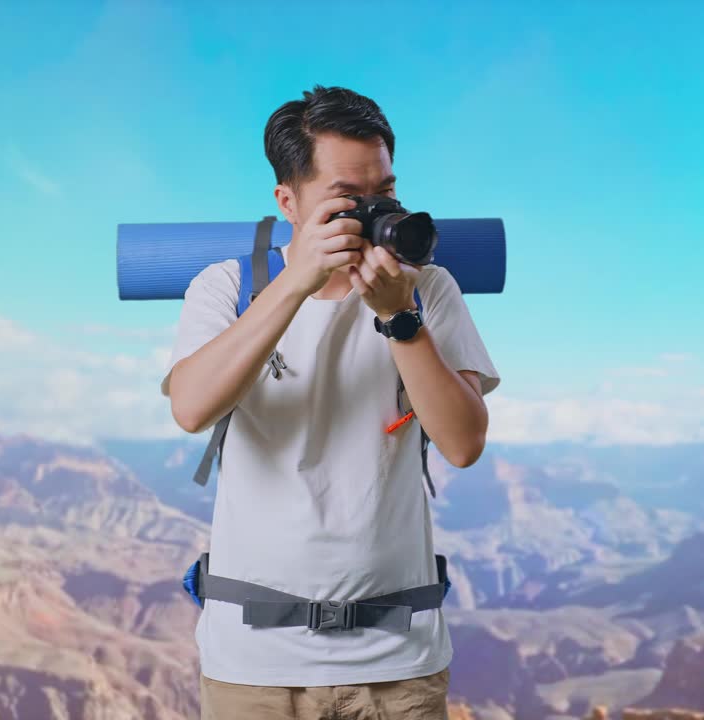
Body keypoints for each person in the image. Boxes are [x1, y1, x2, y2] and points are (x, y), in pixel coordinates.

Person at [161, 84, 501, 720]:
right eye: (349, 201)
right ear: (289, 202)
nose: (375, 217)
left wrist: (401, 318)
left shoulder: (429, 290)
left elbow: (463, 442)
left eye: (387, 197)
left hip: (398, 666)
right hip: (254, 668)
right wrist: (295, 283)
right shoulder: (228, 286)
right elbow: (190, 407)